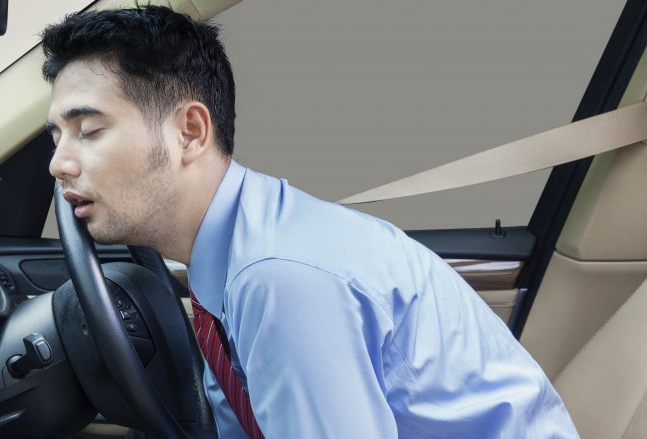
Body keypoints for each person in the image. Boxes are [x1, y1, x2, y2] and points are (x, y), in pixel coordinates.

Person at [41, 6, 578, 438]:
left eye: (88, 130)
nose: (58, 162)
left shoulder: (280, 277)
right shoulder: (229, 257)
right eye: (56, 137)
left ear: (190, 132)